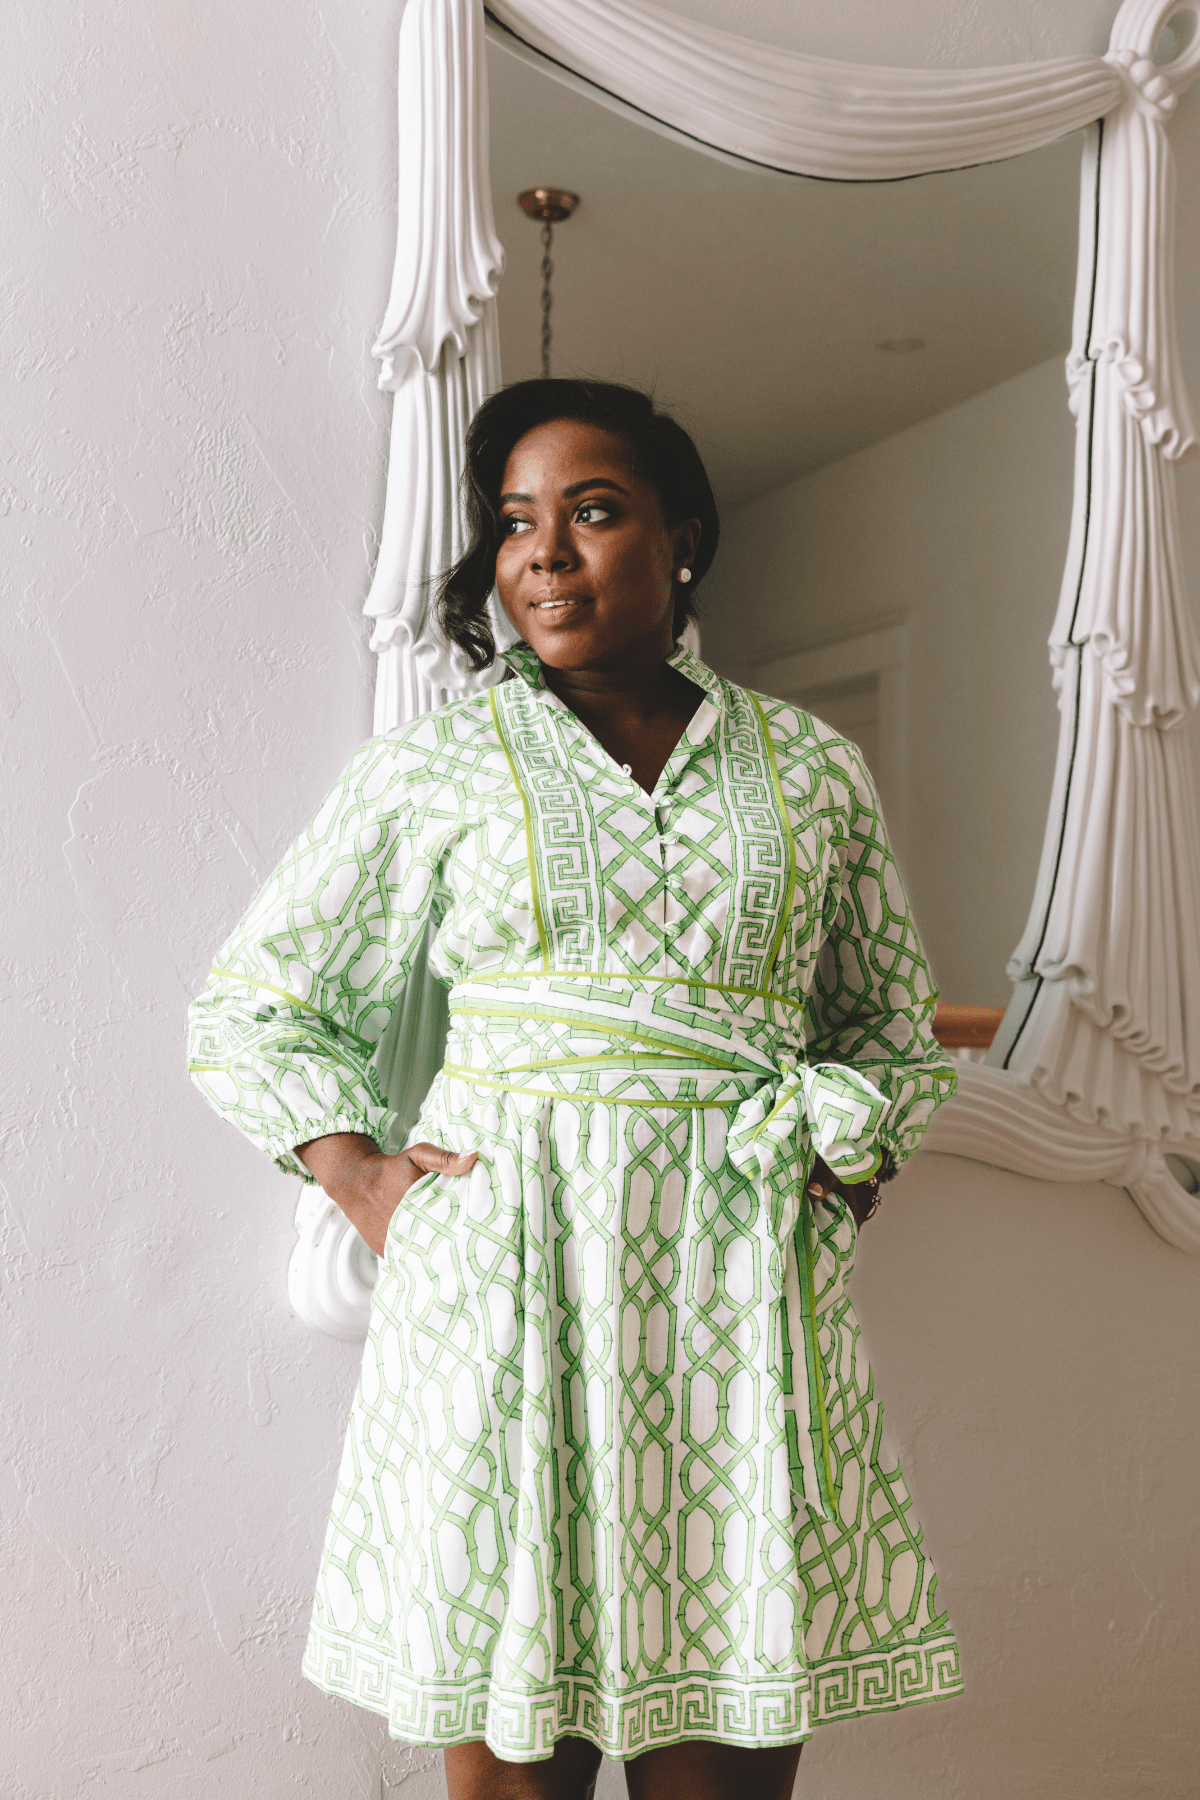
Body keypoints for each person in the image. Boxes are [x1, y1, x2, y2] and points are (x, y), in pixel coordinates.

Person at [188, 379, 963, 1799]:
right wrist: (361, 1177)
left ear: (684, 539)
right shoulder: (436, 767)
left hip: (740, 1310)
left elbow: (891, 1032)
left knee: (724, 1762)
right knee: (516, 1768)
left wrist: (841, 1164)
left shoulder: (811, 770)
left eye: (592, 511)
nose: (544, 552)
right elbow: (255, 1003)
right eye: (513, 523)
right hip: (504, 1289)